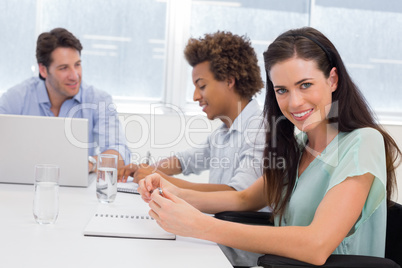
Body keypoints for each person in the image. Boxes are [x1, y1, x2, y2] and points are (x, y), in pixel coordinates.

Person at [137, 27, 401, 266]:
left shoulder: (363, 142)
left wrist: (202, 226)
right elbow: (245, 198)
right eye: (282, 90)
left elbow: (316, 245)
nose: (295, 102)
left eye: (305, 85)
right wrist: (171, 190)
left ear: (333, 80)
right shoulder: (296, 146)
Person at [119, 31, 266, 194]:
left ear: (229, 81)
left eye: (202, 86)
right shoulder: (223, 133)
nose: (195, 97)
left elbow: (238, 194)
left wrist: (158, 178)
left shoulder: (259, 130)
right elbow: (184, 160)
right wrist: (145, 170)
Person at [0, 28, 130, 172]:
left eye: (77, 65)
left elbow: (119, 153)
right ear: (43, 70)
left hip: (80, 190)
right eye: (63, 68)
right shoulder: (16, 98)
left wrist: (90, 163)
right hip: (23, 186)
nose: (74, 76)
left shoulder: (98, 100)